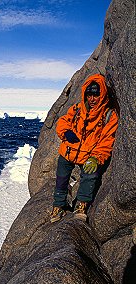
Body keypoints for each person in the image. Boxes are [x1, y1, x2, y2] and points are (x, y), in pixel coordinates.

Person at [50, 73, 119, 223]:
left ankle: (81, 204)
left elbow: (107, 141)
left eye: (96, 94)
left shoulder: (109, 115)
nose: (92, 98)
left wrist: (96, 158)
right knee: (62, 179)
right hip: (69, 151)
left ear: (102, 94)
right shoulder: (76, 109)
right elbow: (62, 121)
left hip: (90, 154)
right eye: (89, 94)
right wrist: (66, 132)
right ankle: (58, 205)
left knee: (90, 175)